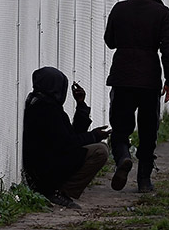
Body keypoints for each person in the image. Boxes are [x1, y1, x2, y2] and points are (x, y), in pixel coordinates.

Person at [103, 0, 169, 194]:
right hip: (149, 80)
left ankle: (123, 157)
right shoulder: (162, 13)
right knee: (148, 130)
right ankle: (144, 180)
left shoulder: (119, 8)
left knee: (120, 127)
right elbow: (168, 49)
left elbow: (110, 41)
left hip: (122, 76)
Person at [21, 66, 110, 209]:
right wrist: (94, 136)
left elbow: (70, 135)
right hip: (44, 168)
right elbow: (67, 143)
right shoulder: (46, 110)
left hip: (47, 162)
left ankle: (57, 190)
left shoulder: (42, 103)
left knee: (99, 147)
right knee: (100, 151)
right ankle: (57, 192)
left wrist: (81, 105)